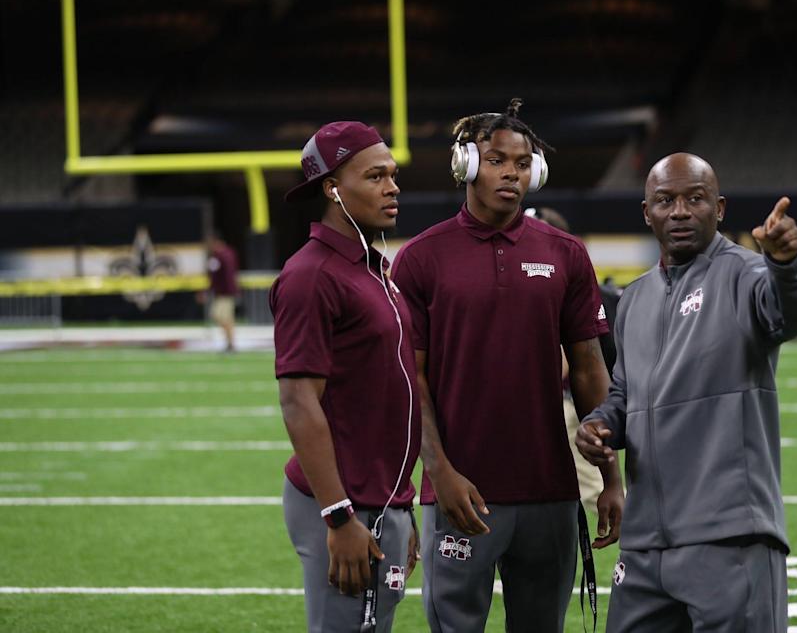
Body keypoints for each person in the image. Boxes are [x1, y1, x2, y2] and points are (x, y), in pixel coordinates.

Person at [390, 99, 624, 633]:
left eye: (522, 162)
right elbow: (412, 380)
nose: (511, 172)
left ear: (535, 172)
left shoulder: (566, 253)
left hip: (551, 490)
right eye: (496, 160)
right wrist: (440, 473)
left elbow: (589, 370)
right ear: (466, 165)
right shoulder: (423, 257)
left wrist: (612, 477)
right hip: (460, 490)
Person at [577, 153, 797, 633]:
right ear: (647, 212)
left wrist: (787, 263)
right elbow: (627, 391)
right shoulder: (634, 299)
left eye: (696, 198)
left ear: (720, 208)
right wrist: (601, 422)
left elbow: (791, 311)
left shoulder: (747, 275)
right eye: (665, 201)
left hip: (730, 536)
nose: (681, 211)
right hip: (646, 544)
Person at [270, 121, 421, 632]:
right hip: (343, 505)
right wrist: (337, 516)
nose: (393, 187)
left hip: (381, 500)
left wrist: (402, 507)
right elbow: (298, 402)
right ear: (333, 188)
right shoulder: (311, 276)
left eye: (393, 175)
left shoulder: (371, 268)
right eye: (375, 176)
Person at [525, 205, 605, 513]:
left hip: (562, 400)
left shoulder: (566, 274)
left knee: (590, 492)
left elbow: (575, 359)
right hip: (543, 403)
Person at [204, 232, 239, 352]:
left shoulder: (219, 255)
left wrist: (208, 291)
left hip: (224, 293)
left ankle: (230, 343)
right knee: (225, 317)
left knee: (220, 316)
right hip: (227, 291)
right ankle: (230, 342)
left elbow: (216, 277)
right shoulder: (230, 252)